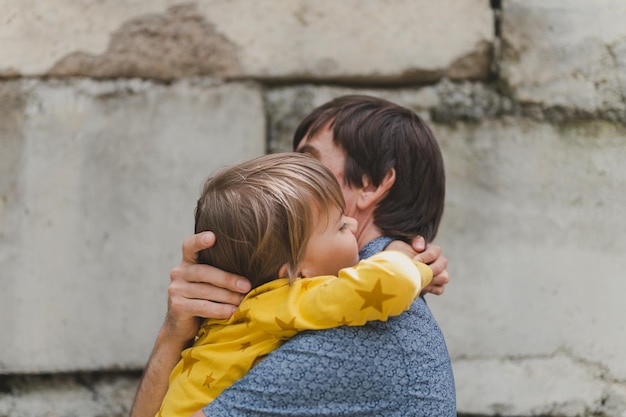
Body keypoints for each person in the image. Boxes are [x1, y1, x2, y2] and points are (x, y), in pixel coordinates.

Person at [131, 95, 455, 417]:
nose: (294, 174)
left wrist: (399, 257)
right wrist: (174, 333)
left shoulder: (357, 330)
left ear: (372, 185)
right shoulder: (307, 303)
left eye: (309, 160)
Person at [157, 152, 433, 417]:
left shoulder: (242, 308)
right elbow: (392, 283)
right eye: (339, 227)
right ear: (298, 274)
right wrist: (407, 257)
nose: (351, 222)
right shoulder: (289, 299)